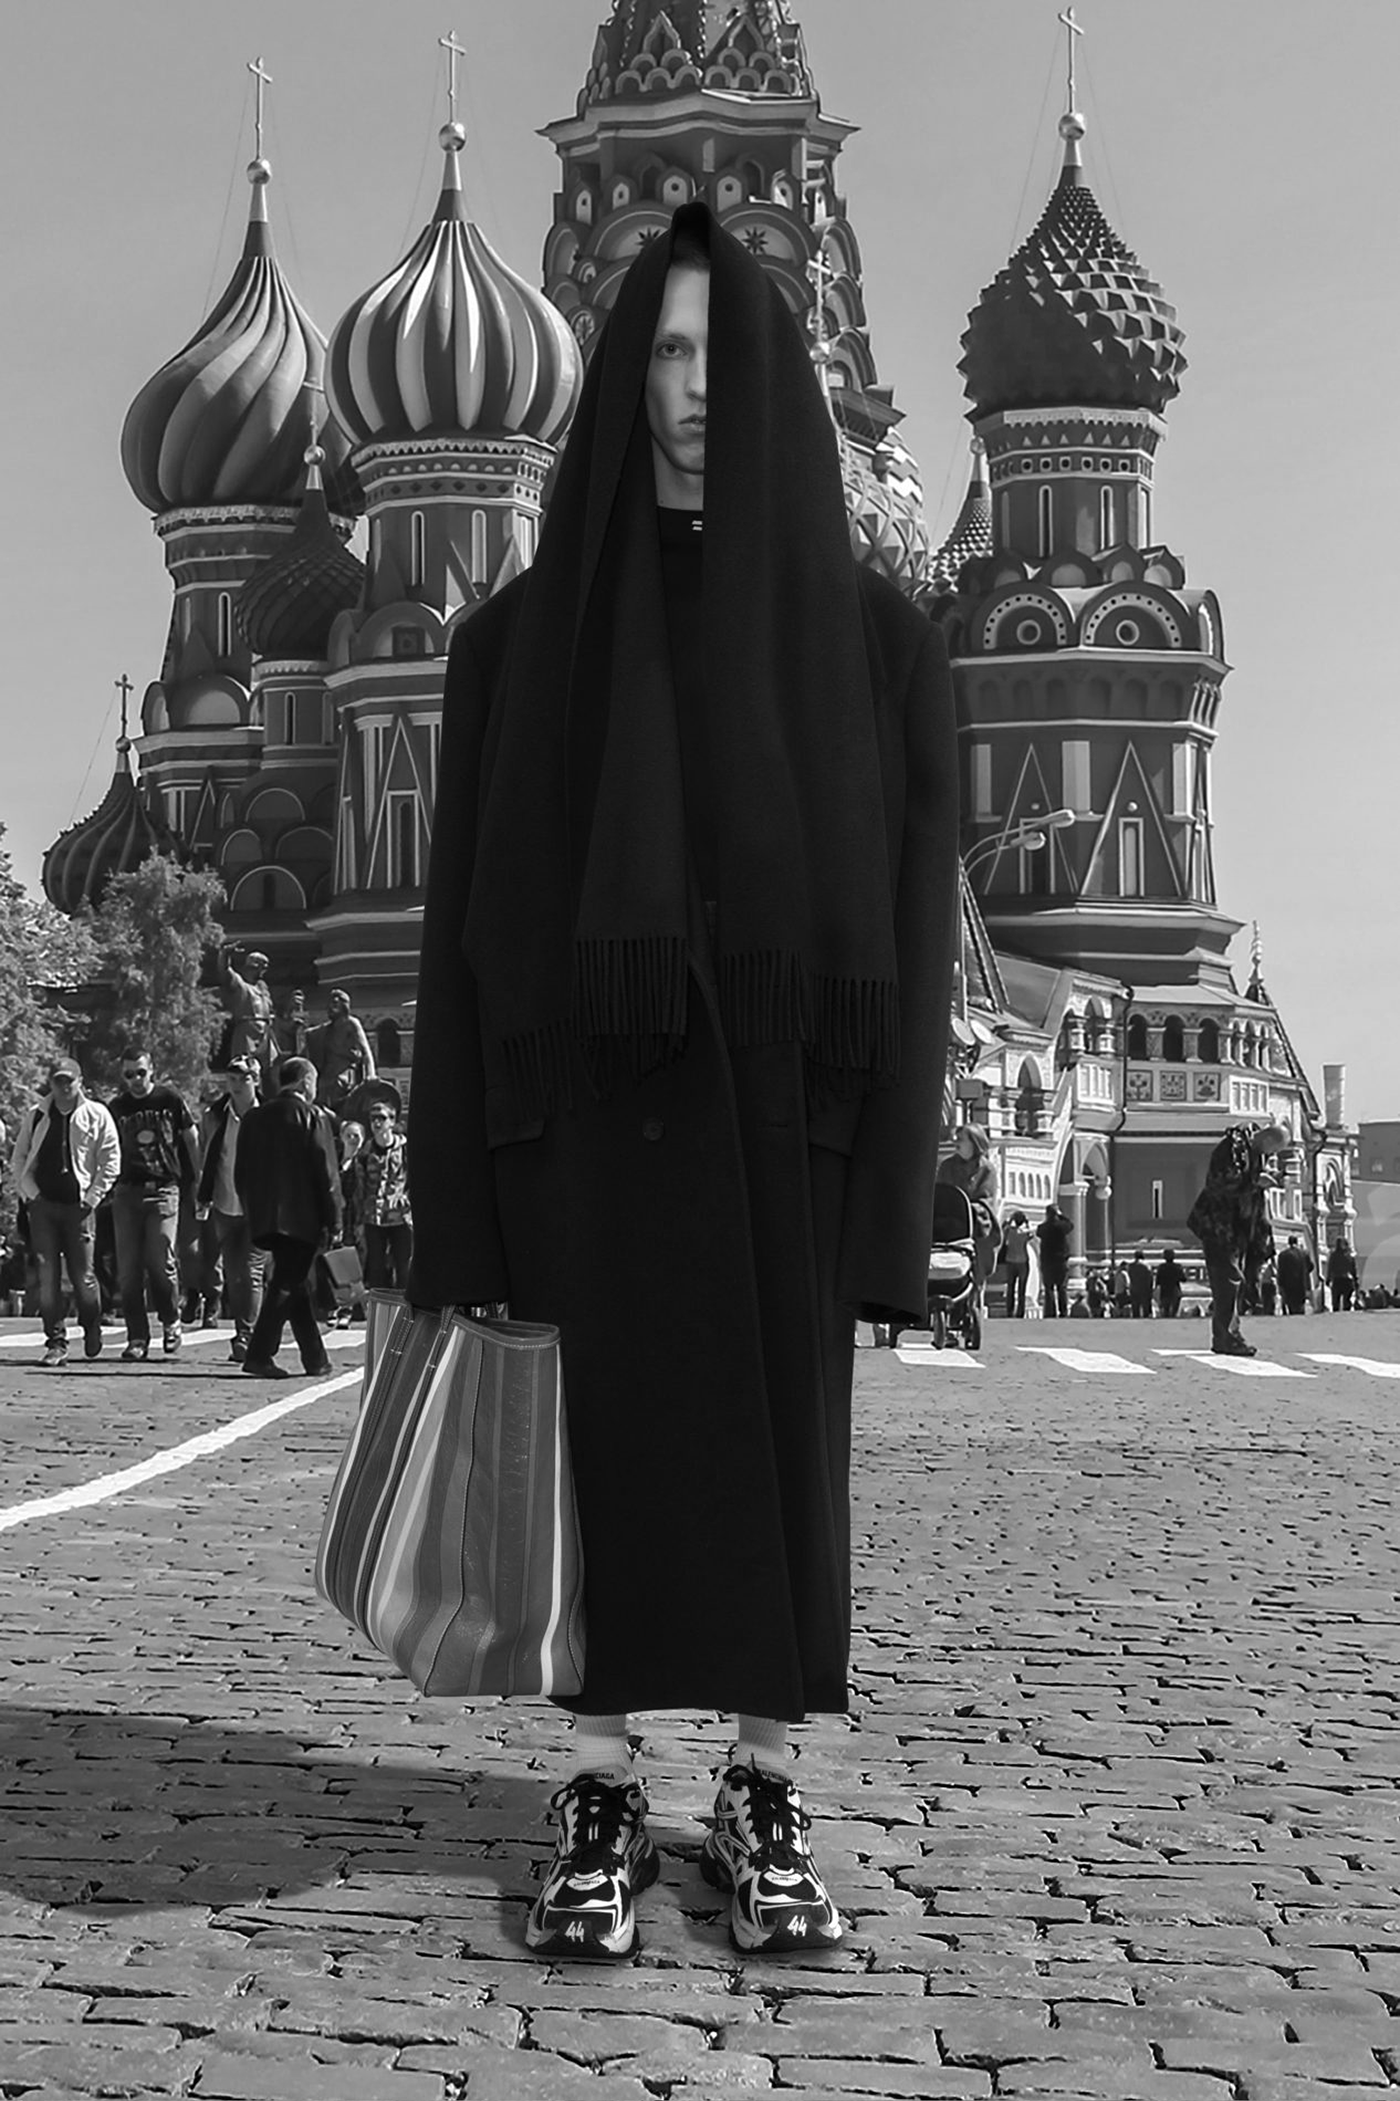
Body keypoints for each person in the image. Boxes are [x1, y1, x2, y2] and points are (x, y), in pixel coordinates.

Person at [405, 205, 958, 1962]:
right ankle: (596, 1782)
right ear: (620, 374)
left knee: (787, 1477)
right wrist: (458, 1208)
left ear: (782, 379)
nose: (694, 386)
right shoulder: (517, 648)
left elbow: (915, 959)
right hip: (580, 1138)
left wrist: (894, 1217)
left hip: (791, 1140)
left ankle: (764, 1779)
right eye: (662, 347)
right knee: (596, 1474)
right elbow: (457, 948)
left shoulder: (879, 648)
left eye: (725, 351)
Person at [233, 1056, 340, 1379]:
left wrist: (252, 1208)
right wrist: (334, 1219)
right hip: (302, 1217)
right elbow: (326, 1173)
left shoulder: (253, 1118)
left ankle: (316, 1358)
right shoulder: (312, 1116)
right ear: (306, 1082)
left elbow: (241, 1172)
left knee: (293, 1282)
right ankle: (260, 1353)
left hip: (265, 1215)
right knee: (287, 1282)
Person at [8, 1059, 120, 1366]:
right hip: (43, 1206)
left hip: (79, 1208)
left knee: (84, 1277)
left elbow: (111, 1159)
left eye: (69, 1080)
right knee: (48, 1277)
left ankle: (92, 1324)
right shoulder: (37, 1115)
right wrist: (31, 1194)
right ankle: (55, 1341)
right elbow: (20, 1158)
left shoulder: (96, 1114)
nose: (64, 1086)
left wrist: (93, 1197)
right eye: (58, 1081)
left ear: (80, 1081)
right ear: (51, 1083)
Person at [108, 1051, 199, 1361]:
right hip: (127, 1192)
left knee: (161, 1258)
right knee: (128, 1270)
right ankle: (137, 1337)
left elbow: (190, 1137)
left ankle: (171, 1320)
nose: (136, 1080)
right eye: (129, 1074)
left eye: (141, 1072)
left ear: (152, 1071)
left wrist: (197, 1177)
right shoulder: (117, 1108)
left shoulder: (169, 1100)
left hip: (163, 1188)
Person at [1186, 1120, 1290, 1356]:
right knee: (1228, 1280)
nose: (1273, 1155)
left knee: (1235, 1281)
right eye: (1274, 1149)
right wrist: (1255, 1181)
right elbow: (1220, 1182)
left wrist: (1267, 1177)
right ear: (1267, 1139)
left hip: (1237, 1228)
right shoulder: (1232, 1148)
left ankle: (1229, 1334)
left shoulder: (1253, 1151)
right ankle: (1227, 1337)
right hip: (1219, 1226)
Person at [196, 1058, 265, 1363]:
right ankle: (243, 1330)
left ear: (256, 1081)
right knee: (234, 1273)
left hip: (258, 1206)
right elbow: (207, 1155)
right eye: (232, 1079)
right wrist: (203, 1195)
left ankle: (247, 1337)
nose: (236, 1085)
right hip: (224, 1202)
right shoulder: (214, 1115)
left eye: (244, 1079)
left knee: (251, 1271)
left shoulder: (267, 1115)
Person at [936, 1124, 1001, 1318]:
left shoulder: (987, 1170)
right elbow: (939, 1194)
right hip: (947, 1225)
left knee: (977, 1263)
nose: (955, 1142)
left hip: (974, 1227)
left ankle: (972, 1307)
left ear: (975, 1143)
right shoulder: (947, 1166)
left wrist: (967, 1209)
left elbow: (987, 1201)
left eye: (961, 1139)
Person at [358, 1103, 413, 1292]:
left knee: (404, 1268)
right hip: (373, 1218)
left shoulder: (405, 1148)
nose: (376, 1122)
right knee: (376, 1269)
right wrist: (359, 1220)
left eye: (381, 1118)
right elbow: (360, 1187)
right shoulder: (365, 1151)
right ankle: (381, 1307)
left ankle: (406, 1307)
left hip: (400, 1217)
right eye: (372, 1118)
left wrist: (407, 1200)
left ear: (392, 1121)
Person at [306, 990, 376, 1113]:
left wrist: (370, 1074)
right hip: (327, 1074)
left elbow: (366, 1052)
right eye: (331, 1004)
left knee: (337, 1086)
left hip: (344, 1074)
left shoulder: (351, 1023)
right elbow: (312, 1034)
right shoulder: (326, 1030)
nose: (332, 1007)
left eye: (336, 1004)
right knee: (319, 1091)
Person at [215, 945, 276, 1075]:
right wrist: (225, 954)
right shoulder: (240, 986)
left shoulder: (263, 991)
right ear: (252, 967)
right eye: (261, 967)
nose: (264, 971)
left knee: (268, 1071)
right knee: (245, 1068)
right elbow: (225, 971)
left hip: (265, 1033)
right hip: (247, 1032)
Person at [1037, 1204, 1073, 1317]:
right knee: (1062, 1288)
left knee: (1049, 1289)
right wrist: (1061, 1216)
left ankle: (1050, 1312)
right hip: (1061, 1261)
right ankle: (1063, 1312)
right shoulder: (1061, 1227)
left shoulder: (1043, 1228)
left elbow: (1038, 1232)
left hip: (1047, 1262)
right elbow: (1070, 1225)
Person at [1001, 1209, 1032, 1318]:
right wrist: (1027, 1223)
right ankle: (1020, 1312)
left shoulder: (1009, 1232)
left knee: (1010, 1287)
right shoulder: (1024, 1233)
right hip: (1023, 1261)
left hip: (1010, 1260)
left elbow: (1003, 1231)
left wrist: (1010, 1220)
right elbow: (1031, 1234)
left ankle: (1009, 1310)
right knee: (1021, 1289)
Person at [1276, 1234, 1314, 1315]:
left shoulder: (1282, 1255)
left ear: (1288, 1243)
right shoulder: (1304, 1253)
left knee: (1291, 1306)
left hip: (1288, 1286)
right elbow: (1311, 1267)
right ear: (1297, 1242)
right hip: (1301, 1284)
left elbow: (1280, 1271)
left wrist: (1280, 1284)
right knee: (1300, 1306)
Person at [1326, 1236, 1358, 1312]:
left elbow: (1330, 1267)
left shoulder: (1334, 1255)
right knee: (1346, 1301)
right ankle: (1345, 1310)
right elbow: (1353, 1269)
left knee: (1336, 1301)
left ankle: (1337, 1311)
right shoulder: (1349, 1255)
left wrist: (1328, 1278)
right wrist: (1355, 1279)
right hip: (1346, 1279)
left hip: (1337, 1279)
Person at [1155, 1247, 1185, 1319]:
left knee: (1165, 1310)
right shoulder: (1177, 1267)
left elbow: (1158, 1281)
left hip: (1164, 1290)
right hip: (1174, 1289)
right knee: (1174, 1310)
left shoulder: (1161, 1267)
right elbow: (1183, 1279)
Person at [1127, 1246, 1154, 1318]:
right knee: (1146, 1309)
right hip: (1145, 1289)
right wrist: (1151, 1288)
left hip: (1134, 1289)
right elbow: (1150, 1278)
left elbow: (1129, 1277)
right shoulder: (1147, 1266)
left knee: (1135, 1309)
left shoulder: (1130, 1266)